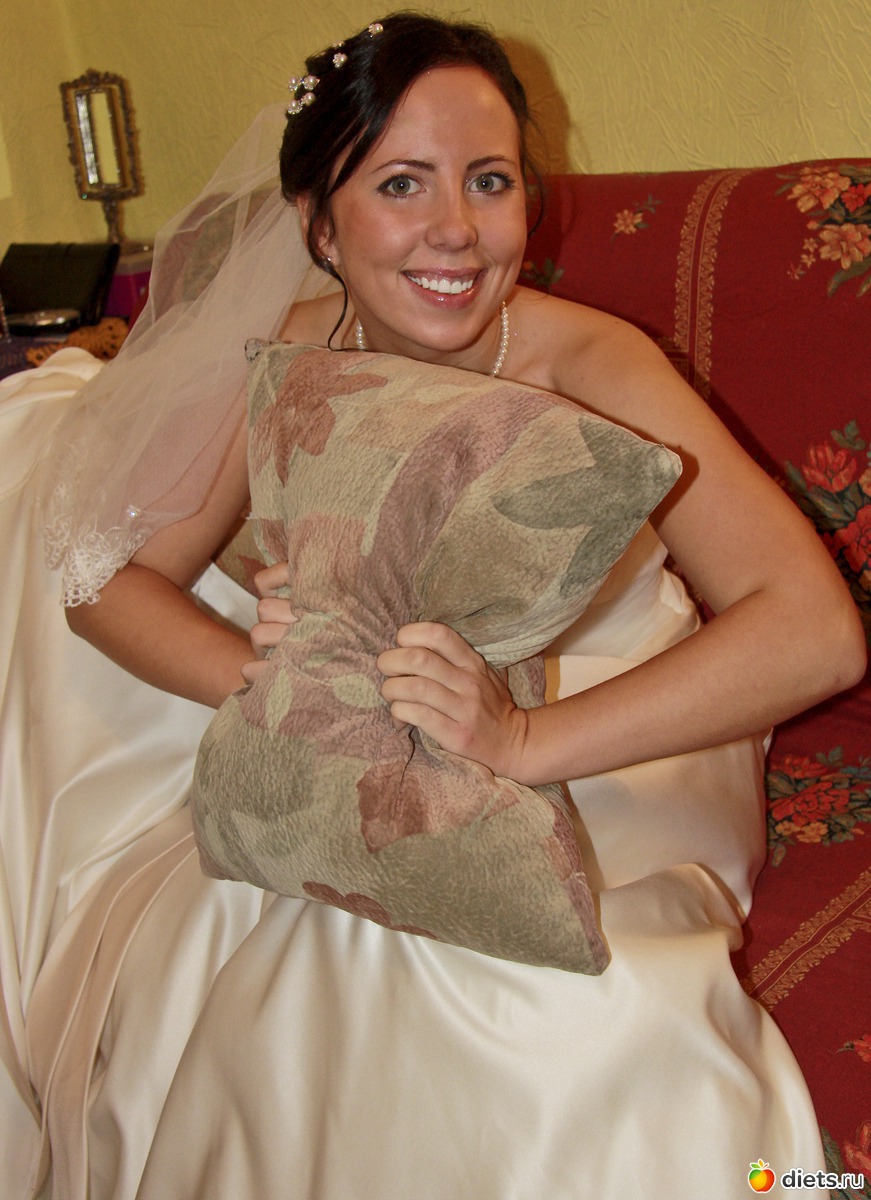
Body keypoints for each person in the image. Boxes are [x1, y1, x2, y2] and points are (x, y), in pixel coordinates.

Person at [7, 12, 865, 1200]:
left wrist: (519, 742)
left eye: (490, 180)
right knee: (289, 928)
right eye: (401, 183)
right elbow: (105, 578)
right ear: (319, 222)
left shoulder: (593, 365)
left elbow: (813, 629)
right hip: (372, 752)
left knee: (500, 978)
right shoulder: (286, 362)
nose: (456, 227)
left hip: (617, 731)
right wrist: (256, 674)